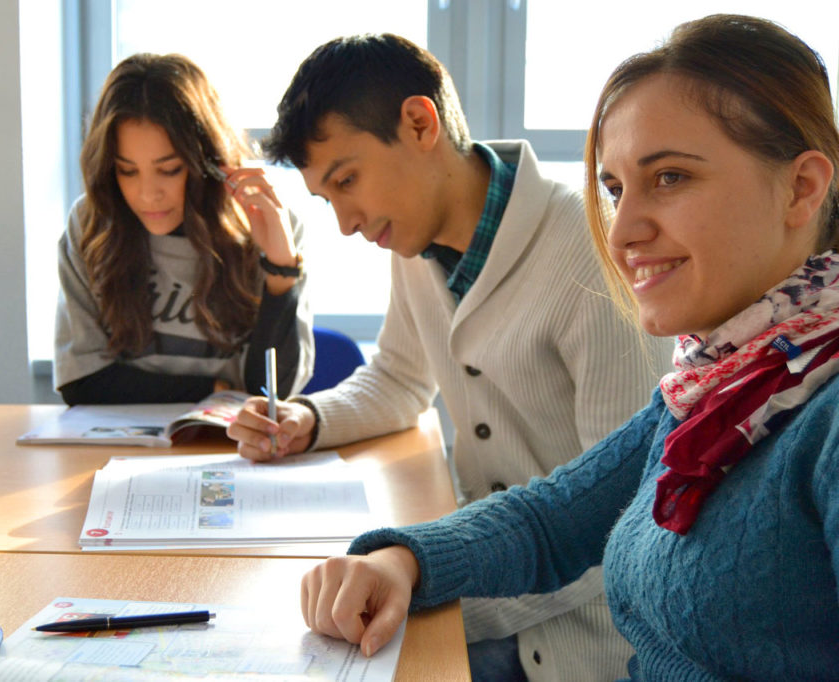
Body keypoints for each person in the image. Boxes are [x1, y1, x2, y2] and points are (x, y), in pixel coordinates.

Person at [297, 14, 839, 680]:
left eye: (669, 177)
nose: (622, 232)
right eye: (614, 189)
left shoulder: (819, 414)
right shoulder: (721, 382)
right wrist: (402, 559)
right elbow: (553, 518)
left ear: (803, 187)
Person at [227, 34, 669, 681]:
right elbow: (401, 379)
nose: (346, 222)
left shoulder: (590, 253)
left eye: (348, 180)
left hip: (582, 641)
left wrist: (428, 595)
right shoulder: (415, 244)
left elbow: (617, 524)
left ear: (419, 122)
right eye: (327, 199)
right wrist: (308, 419)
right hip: (486, 579)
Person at [54, 53, 314, 405]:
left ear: (206, 163)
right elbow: (81, 382)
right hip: (118, 449)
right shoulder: (91, 225)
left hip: (231, 450)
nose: (148, 194)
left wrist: (281, 269)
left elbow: (271, 393)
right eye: (127, 171)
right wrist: (212, 391)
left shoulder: (264, 226)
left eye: (170, 169)